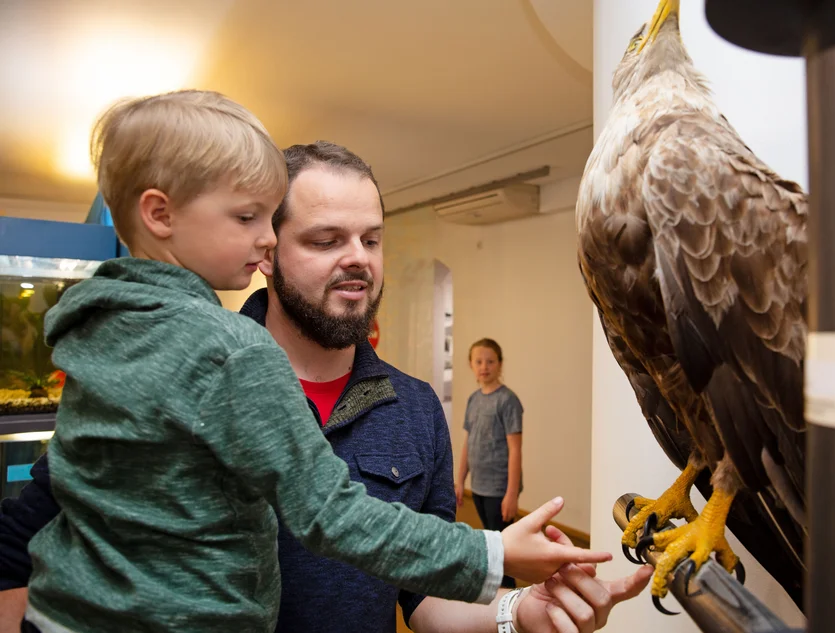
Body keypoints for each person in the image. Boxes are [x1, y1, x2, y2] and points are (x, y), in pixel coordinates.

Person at [13, 90, 612, 633]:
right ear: (269, 253)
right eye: (326, 240)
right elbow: (29, 531)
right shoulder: (177, 367)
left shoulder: (417, 408)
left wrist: (516, 612)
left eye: (371, 239)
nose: (359, 260)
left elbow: (423, 598)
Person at [457, 338, 525, 589]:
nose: (484, 366)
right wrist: (460, 479)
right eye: (478, 361)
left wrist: (511, 494)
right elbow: (468, 442)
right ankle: (496, 594)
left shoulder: (508, 401)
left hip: (499, 489)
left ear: (500, 364)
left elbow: (515, 449)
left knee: (503, 551)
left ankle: (508, 597)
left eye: (490, 361)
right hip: (479, 486)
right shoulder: (473, 400)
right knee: (491, 543)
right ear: (471, 365)